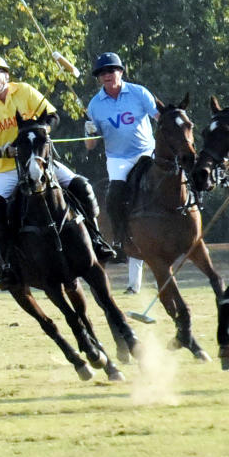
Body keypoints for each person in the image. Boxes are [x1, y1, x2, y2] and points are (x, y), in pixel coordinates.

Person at [0, 52, 114, 288]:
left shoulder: (24, 90)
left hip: (39, 161)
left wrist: (40, 131)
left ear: (6, 75)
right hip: (5, 170)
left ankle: (97, 240)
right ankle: (8, 265)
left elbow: (53, 116)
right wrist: (1, 151)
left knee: (81, 186)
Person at [83, 51, 159, 294]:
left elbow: (160, 117)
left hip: (146, 153)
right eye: (102, 73)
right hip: (118, 159)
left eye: (111, 70)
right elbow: (91, 146)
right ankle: (118, 238)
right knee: (114, 196)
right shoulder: (95, 105)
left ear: (121, 72)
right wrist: (89, 131)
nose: (107, 75)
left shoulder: (139, 93)